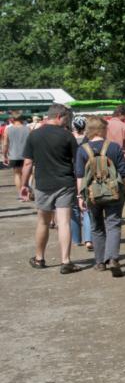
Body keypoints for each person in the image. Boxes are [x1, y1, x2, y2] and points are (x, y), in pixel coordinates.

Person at [19, 103, 82, 273]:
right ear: (60, 116)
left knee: (43, 222)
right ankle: (66, 261)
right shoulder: (68, 136)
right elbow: (77, 163)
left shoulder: (34, 135)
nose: (68, 122)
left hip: (43, 184)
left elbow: (28, 163)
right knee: (64, 222)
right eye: (67, 118)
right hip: (65, 184)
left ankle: (39, 258)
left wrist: (24, 185)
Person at [75, 116, 125, 277]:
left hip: (92, 195)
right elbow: (124, 173)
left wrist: (80, 197)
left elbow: (80, 176)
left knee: (97, 227)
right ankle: (113, 258)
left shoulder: (82, 150)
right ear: (101, 130)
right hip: (114, 193)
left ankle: (100, 262)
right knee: (113, 225)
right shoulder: (114, 148)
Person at [70, 116, 93, 250]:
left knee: (74, 207)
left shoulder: (68, 138)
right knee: (87, 208)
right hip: (87, 175)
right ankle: (88, 239)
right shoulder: (89, 140)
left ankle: (76, 239)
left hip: (72, 175)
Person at [3, 114, 31, 199]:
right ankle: (28, 193)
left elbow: (5, 144)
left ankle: (21, 194)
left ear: (12, 119)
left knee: (17, 174)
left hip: (14, 155)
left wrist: (5, 155)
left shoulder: (8, 130)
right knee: (28, 174)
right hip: (27, 155)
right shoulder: (28, 129)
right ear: (22, 119)